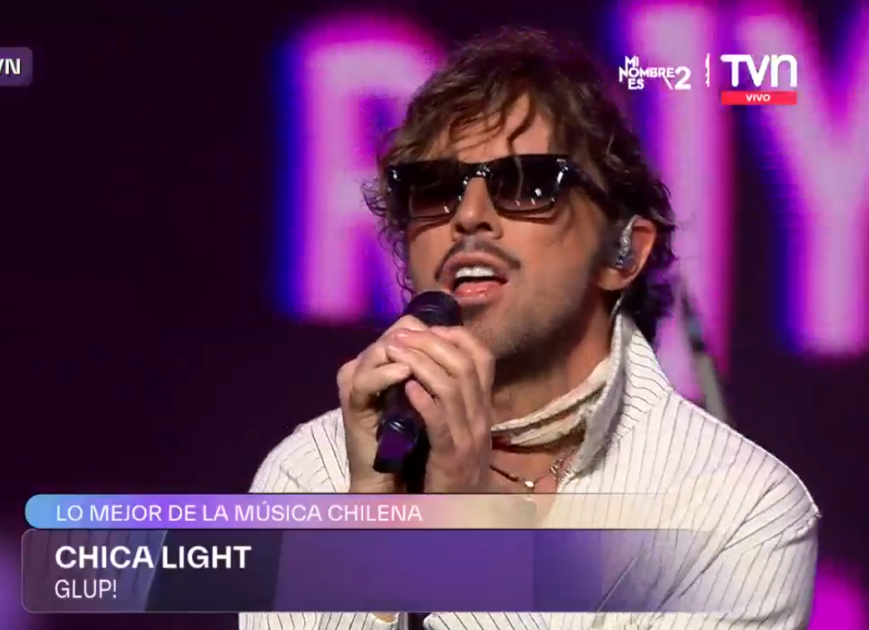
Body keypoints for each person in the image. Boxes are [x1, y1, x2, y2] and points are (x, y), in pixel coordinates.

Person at [241, 26, 818, 630]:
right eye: (435, 189)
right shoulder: (312, 475)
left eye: (526, 183)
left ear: (622, 252)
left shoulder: (737, 511)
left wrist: (468, 533)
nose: (469, 216)